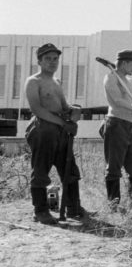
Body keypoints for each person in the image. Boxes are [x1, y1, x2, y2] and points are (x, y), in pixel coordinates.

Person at [24, 43, 84, 224]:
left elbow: (64, 107)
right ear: (39, 61)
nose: (52, 62)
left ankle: (74, 207)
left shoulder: (57, 82)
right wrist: (62, 123)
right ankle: (40, 210)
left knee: (69, 169)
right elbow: (37, 109)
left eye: (55, 59)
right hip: (43, 129)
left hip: (60, 130)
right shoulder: (33, 81)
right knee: (41, 169)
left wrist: (74, 112)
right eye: (48, 59)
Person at [103, 50, 132, 206]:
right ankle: (113, 205)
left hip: (130, 126)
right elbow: (117, 101)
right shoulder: (111, 78)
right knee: (114, 166)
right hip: (116, 123)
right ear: (124, 63)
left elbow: (131, 102)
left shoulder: (127, 80)